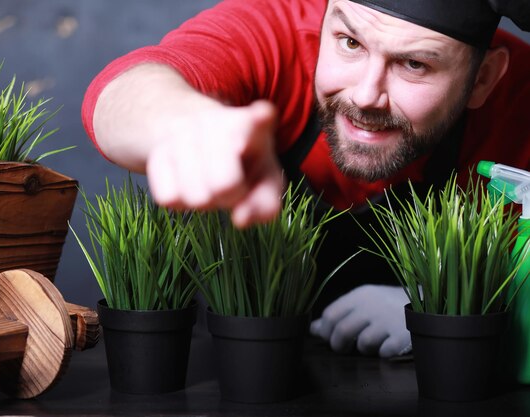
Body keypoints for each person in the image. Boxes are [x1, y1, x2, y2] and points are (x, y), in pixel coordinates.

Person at [82, 0, 530, 358]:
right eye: (350, 42)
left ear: (483, 79)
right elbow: (125, 88)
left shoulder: (519, 103)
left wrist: (452, 308)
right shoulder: (277, 28)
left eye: (414, 64)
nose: (365, 94)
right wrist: (184, 124)